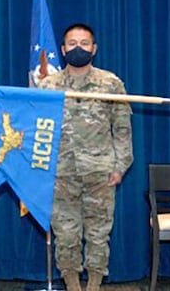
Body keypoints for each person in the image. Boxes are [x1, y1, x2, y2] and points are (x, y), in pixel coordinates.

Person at [38, 23, 133, 291]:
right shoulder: (48, 87)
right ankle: (71, 286)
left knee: (98, 235)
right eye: (72, 43)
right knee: (66, 236)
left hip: (100, 172)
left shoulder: (110, 83)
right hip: (61, 173)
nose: (78, 48)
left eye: (84, 43)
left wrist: (120, 166)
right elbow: (37, 131)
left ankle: (93, 286)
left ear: (94, 48)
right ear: (63, 48)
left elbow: (123, 129)